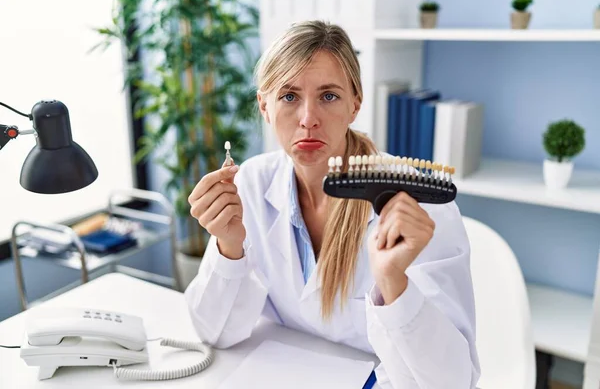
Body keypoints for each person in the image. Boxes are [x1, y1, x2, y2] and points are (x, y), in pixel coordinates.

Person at [184, 20, 481, 388]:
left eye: (328, 96)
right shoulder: (250, 185)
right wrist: (229, 247)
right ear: (264, 105)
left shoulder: (418, 204)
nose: (308, 119)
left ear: (355, 104)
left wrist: (394, 285)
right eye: (289, 96)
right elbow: (216, 335)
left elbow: (452, 382)